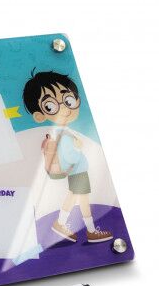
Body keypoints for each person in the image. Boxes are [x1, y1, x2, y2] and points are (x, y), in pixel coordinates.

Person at [23, 70, 112, 243]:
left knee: (73, 197)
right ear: (40, 115)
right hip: (78, 171)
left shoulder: (62, 132)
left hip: (76, 172)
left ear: (77, 100)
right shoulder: (63, 134)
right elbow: (70, 157)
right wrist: (77, 149)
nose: (64, 108)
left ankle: (61, 223)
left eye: (68, 100)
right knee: (83, 200)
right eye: (50, 106)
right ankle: (90, 231)